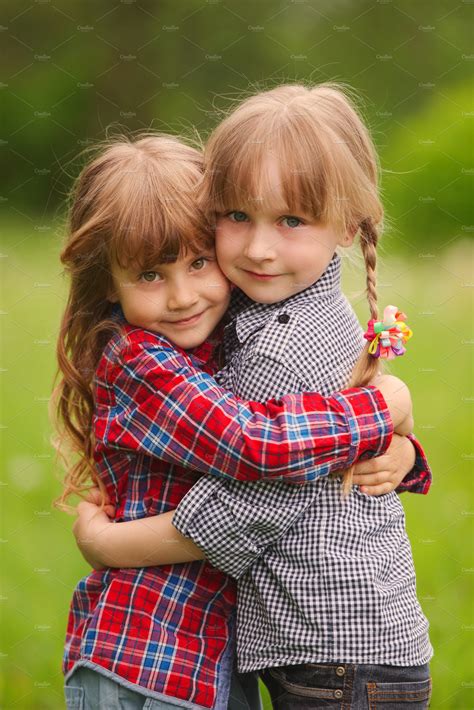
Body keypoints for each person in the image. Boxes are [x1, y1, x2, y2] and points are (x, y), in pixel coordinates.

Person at [72, 85, 432, 709]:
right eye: (237, 216)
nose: (259, 248)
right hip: (268, 648)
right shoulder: (274, 310)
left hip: (329, 652)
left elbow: (258, 490)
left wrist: (110, 547)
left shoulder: (276, 342)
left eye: (290, 220)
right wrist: (389, 420)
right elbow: (282, 451)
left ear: (348, 223)